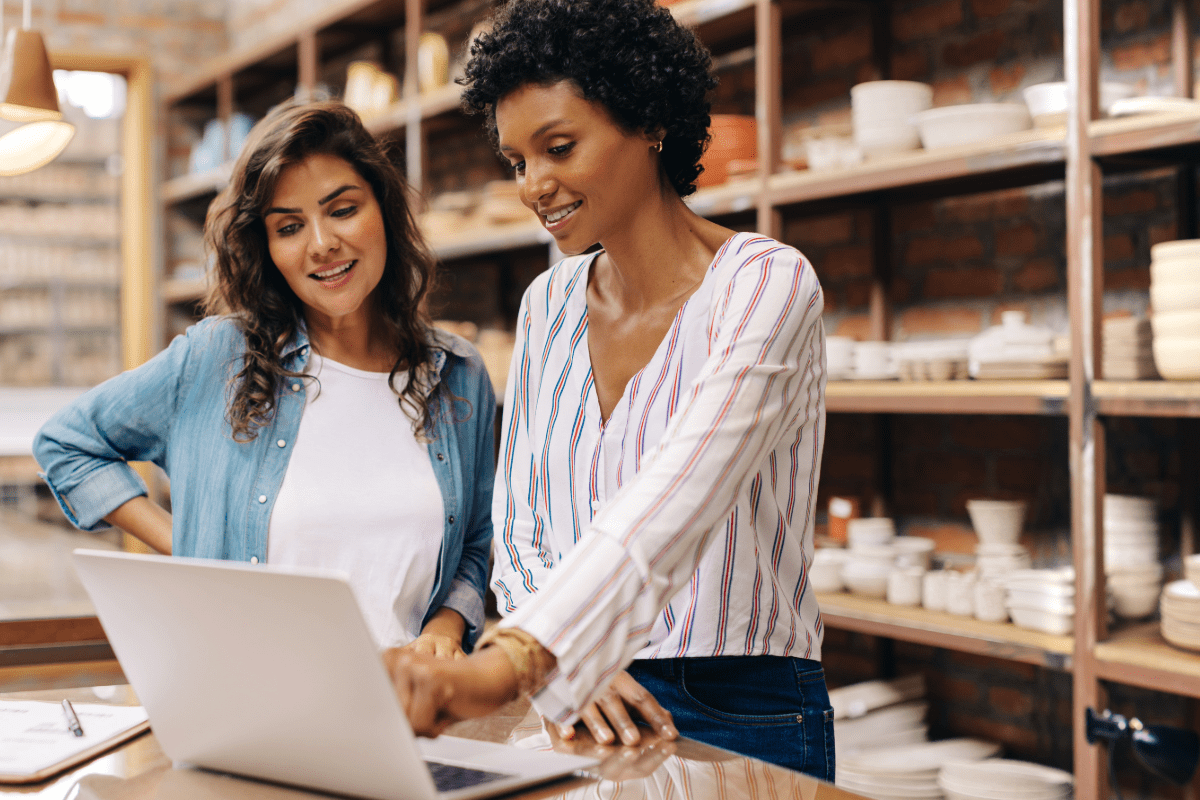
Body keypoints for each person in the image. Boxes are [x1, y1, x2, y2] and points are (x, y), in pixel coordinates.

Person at [386, 0, 831, 778]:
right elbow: (519, 521)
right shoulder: (548, 303)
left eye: (559, 147)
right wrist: (566, 666)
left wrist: (523, 656)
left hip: (740, 703)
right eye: (518, 161)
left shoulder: (765, 286)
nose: (534, 186)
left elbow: (680, 493)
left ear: (649, 120)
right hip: (570, 701)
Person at [34, 100, 495, 659]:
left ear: (384, 210)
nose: (321, 243)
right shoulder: (218, 358)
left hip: (413, 717)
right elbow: (67, 443)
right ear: (268, 248)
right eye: (290, 226)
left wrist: (447, 626)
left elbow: (474, 539)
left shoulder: (458, 374)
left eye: (343, 209)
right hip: (249, 707)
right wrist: (188, 547)